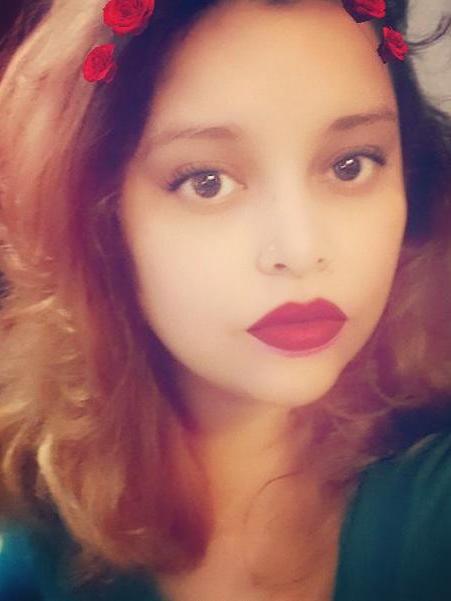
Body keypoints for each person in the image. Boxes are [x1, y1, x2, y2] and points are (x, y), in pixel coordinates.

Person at [0, 0, 450, 599]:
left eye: (350, 165)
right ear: (99, 219)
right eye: (206, 182)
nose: (301, 250)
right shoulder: (29, 541)